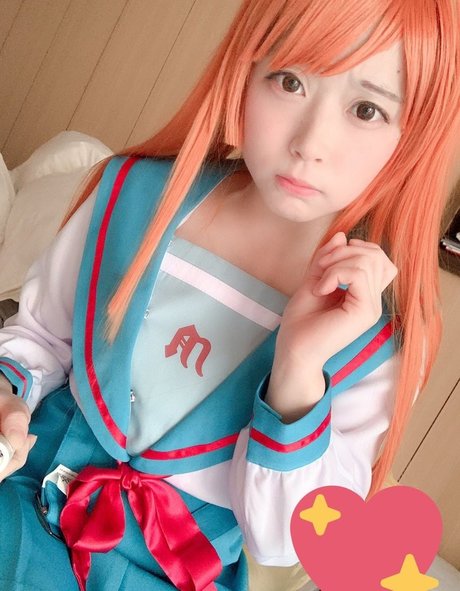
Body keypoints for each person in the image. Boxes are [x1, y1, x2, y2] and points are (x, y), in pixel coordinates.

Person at [0, 0, 459, 589]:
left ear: (412, 134)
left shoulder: (375, 334)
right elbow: (40, 338)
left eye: (366, 109)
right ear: (246, 69)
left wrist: (298, 371)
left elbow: (284, 539)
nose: (310, 142)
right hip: (21, 507)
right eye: (290, 81)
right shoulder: (134, 195)